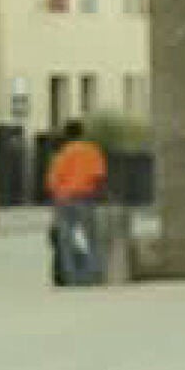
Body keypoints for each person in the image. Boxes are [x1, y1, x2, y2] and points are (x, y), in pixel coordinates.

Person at [46, 121, 109, 284]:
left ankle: (70, 276)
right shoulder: (92, 151)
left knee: (66, 239)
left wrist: (57, 199)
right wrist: (101, 195)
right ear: (83, 133)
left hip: (64, 199)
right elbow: (99, 176)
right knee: (91, 238)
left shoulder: (62, 153)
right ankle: (93, 274)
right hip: (86, 197)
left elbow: (53, 181)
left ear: (66, 135)